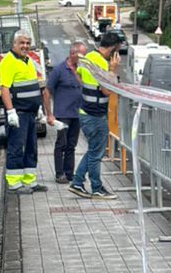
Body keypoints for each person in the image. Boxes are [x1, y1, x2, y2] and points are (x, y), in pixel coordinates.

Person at [0, 31, 54, 193]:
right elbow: (5, 89)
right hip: (19, 113)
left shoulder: (28, 61)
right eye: (22, 43)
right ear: (14, 44)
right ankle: (14, 184)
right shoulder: (8, 62)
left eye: (28, 43)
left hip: (30, 113)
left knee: (31, 148)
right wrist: (10, 112)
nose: (25, 46)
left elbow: (33, 88)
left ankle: (30, 181)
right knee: (16, 147)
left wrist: (39, 109)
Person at [70, 31, 122, 198]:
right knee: (96, 154)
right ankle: (97, 188)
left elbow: (78, 73)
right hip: (96, 115)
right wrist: (112, 70)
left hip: (85, 111)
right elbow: (107, 91)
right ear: (113, 50)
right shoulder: (103, 64)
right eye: (118, 51)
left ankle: (77, 183)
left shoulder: (89, 56)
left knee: (93, 150)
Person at [49, 42, 83, 183]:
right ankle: (59, 173)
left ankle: (69, 173)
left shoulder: (80, 69)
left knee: (72, 145)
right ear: (73, 53)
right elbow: (47, 90)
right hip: (63, 113)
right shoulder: (58, 70)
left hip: (77, 113)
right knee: (61, 143)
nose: (84, 57)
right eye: (82, 54)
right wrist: (49, 113)